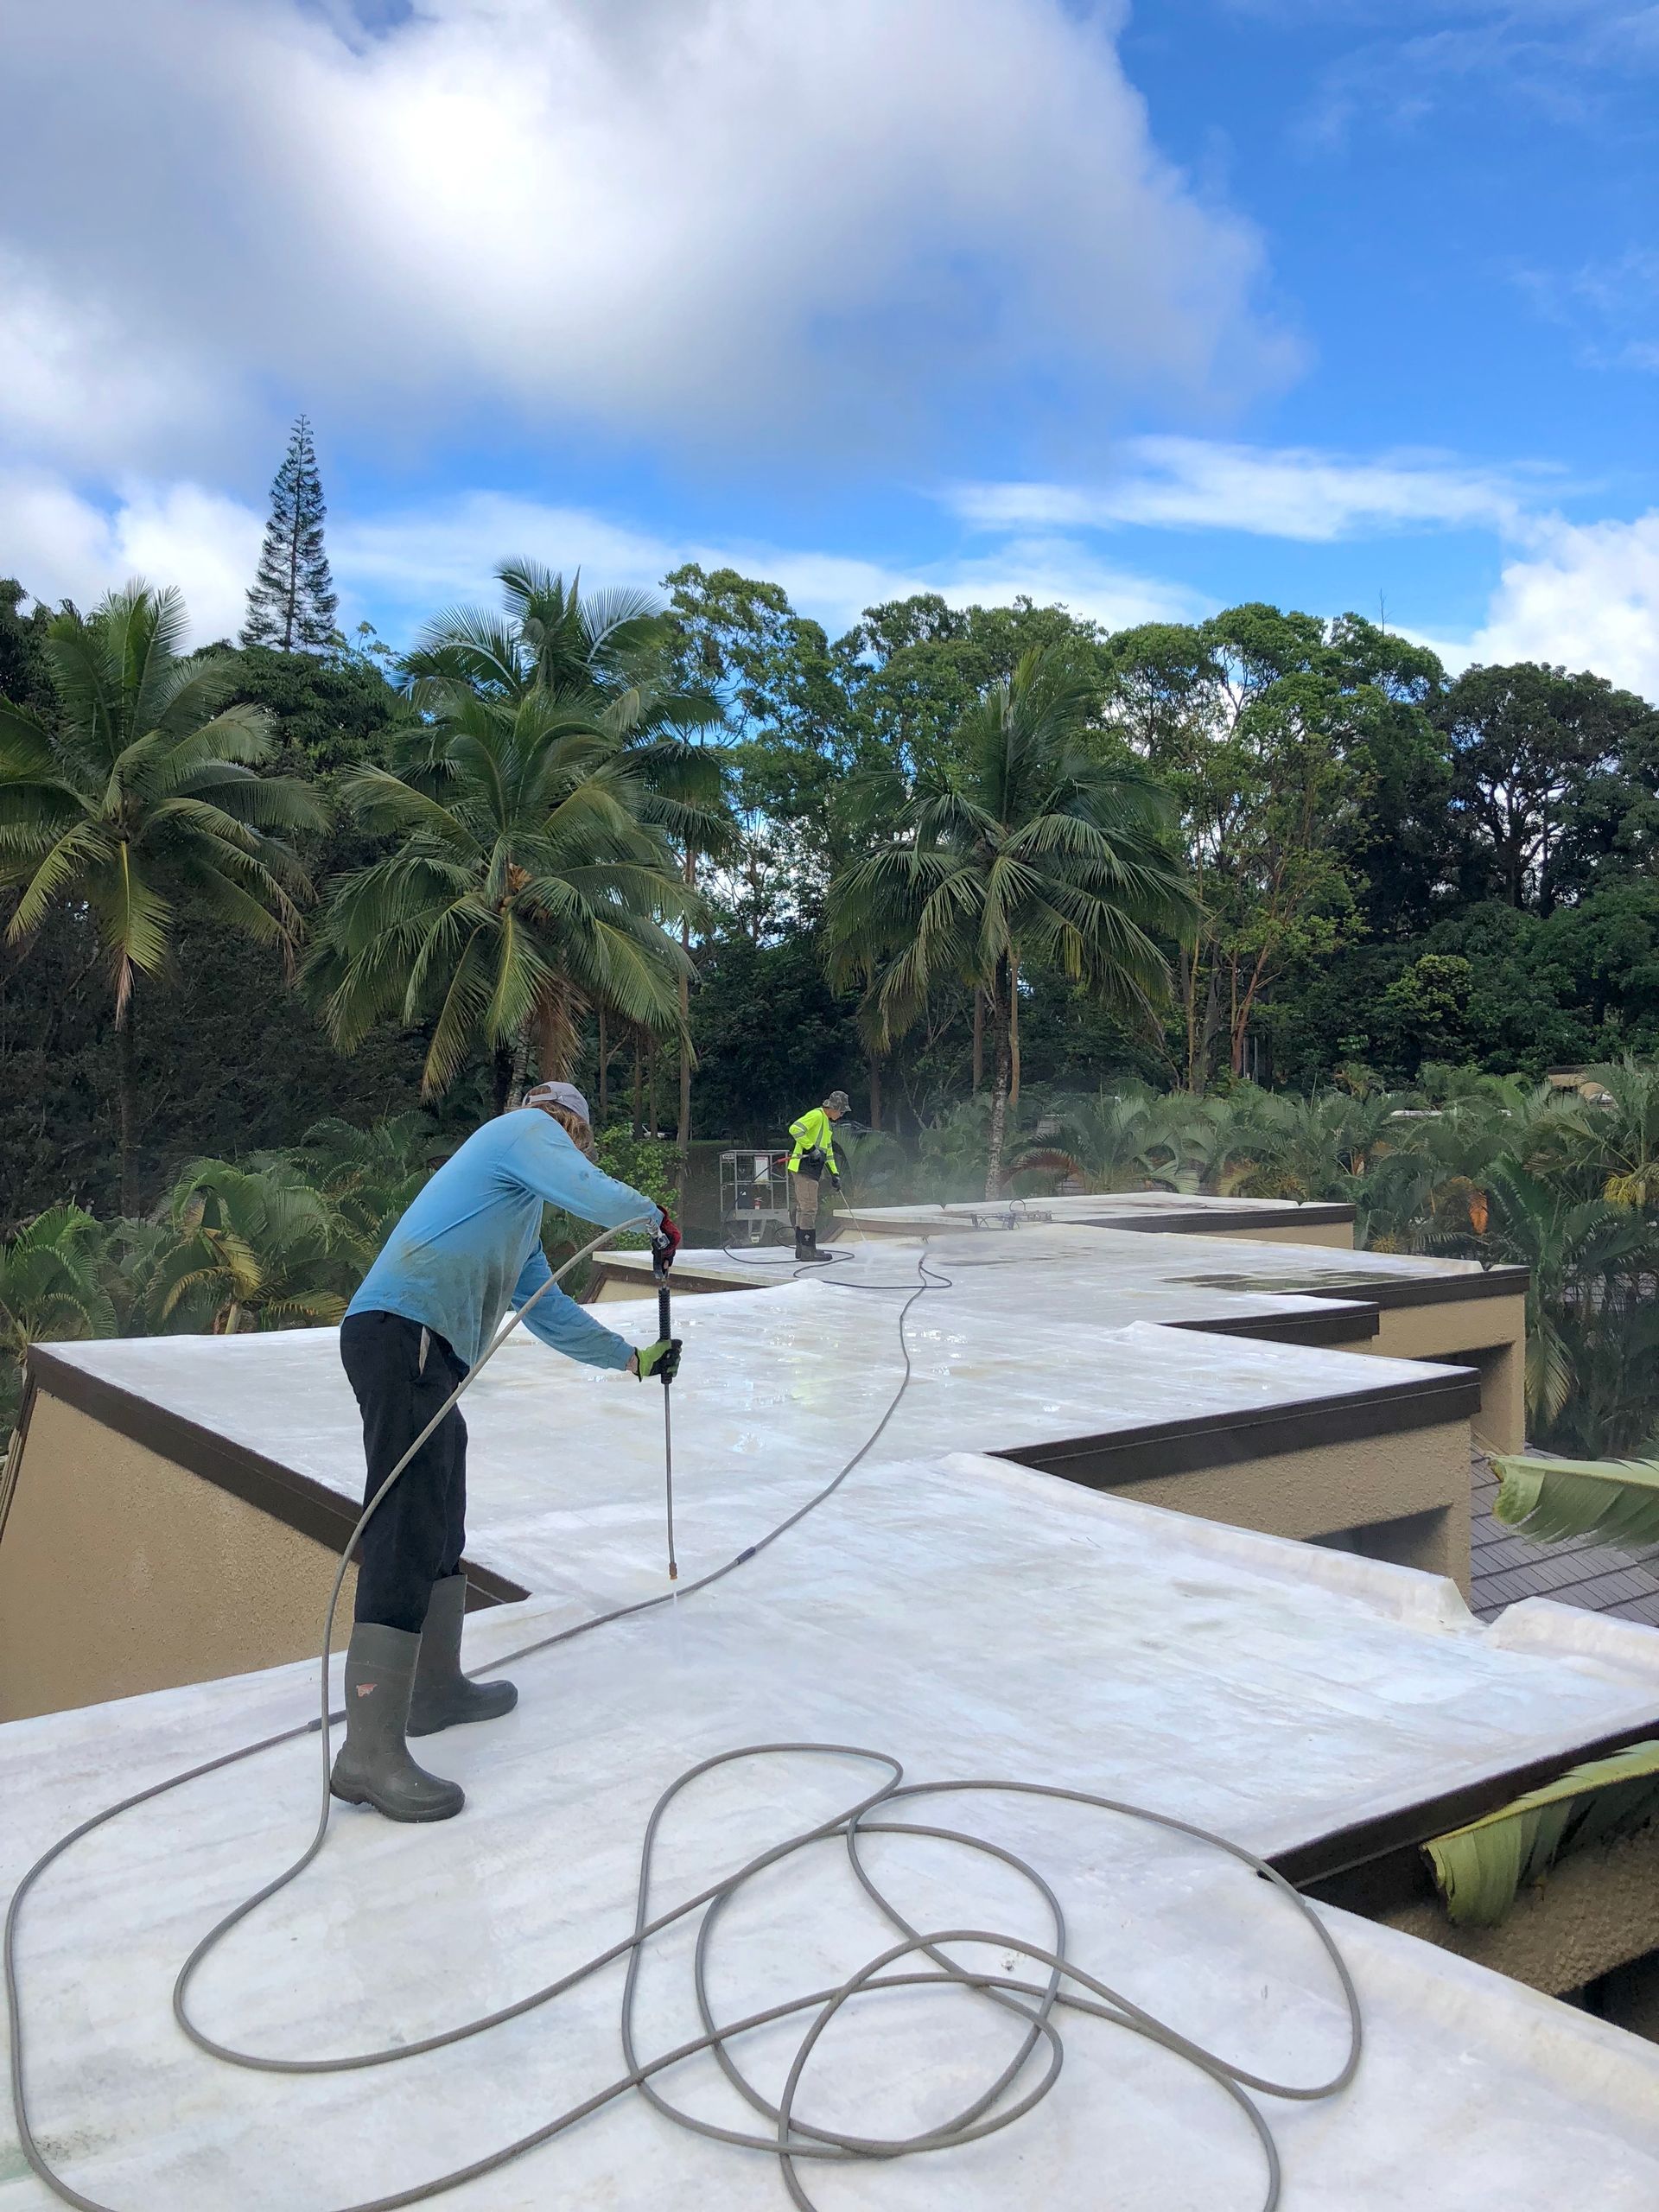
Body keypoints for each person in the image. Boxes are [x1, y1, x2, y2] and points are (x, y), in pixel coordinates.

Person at [329, 1079, 683, 1824]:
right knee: (403, 1523)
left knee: (440, 1515)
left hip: (429, 1353)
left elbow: (548, 1310)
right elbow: (590, 1192)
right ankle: (366, 1752)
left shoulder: (517, 1217)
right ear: (568, 1130)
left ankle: (434, 1692)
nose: (563, 1139)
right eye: (568, 1133)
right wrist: (653, 1219)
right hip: (403, 1333)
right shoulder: (516, 1133)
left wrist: (632, 1361)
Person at [785, 1090, 849, 1263]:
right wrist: (811, 1149)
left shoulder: (827, 1125)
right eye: (841, 1111)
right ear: (834, 1108)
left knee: (803, 1208)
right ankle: (808, 1250)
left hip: (811, 1170)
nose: (841, 1115)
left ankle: (802, 1248)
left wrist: (835, 1174)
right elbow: (795, 1129)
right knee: (809, 1208)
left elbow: (828, 1153)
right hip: (803, 1167)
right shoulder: (816, 1115)